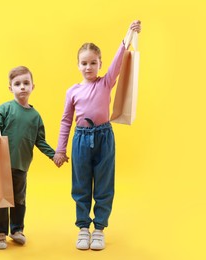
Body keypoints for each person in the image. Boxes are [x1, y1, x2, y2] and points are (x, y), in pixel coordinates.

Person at [53, 20, 142, 250]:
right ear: (78, 65)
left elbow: (118, 63)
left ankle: (99, 228)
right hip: (81, 140)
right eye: (84, 63)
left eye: (93, 63)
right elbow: (65, 121)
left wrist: (129, 36)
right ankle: (83, 227)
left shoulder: (106, 83)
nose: (88, 67)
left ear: (100, 64)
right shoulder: (72, 91)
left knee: (104, 184)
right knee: (81, 184)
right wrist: (61, 149)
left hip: (104, 138)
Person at [0, 66, 66, 250]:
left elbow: (40, 141)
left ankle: (17, 230)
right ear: (10, 88)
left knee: (19, 199)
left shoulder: (35, 117)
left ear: (33, 86)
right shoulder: (5, 108)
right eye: (17, 84)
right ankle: (0, 233)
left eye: (26, 83)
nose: (22, 87)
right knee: (0, 200)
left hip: (21, 166)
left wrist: (55, 155)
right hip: (1, 164)